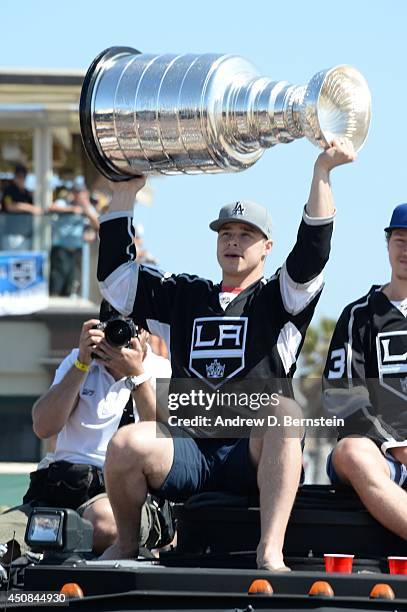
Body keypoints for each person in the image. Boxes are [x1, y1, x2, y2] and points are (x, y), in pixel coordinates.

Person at [96, 140, 356, 570]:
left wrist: (322, 171)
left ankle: (269, 549)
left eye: (246, 235)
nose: (233, 242)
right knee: (127, 443)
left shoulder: (278, 299)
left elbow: (312, 253)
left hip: (249, 452)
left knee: (285, 413)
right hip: (189, 451)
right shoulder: (186, 295)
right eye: (226, 233)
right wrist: (124, 195)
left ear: (266, 247)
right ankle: (126, 544)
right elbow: (117, 285)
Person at [0, 309, 172, 561]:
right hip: (60, 492)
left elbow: (165, 439)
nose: (120, 336)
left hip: (123, 497)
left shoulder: (162, 369)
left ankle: (44, 545)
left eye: (131, 328)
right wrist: (82, 362)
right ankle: (43, 545)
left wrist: (137, 376)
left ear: (146, 332)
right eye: (114, 326)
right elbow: (43, 426)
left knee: (103, 523)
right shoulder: (78, 361)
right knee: (6, 536)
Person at [323, 203, 407, 541]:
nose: (406, 248)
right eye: (400, 238)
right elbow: (341, 398)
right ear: (387, 243)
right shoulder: (359, 315)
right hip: (377, 457)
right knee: (351, 451)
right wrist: (396, 446)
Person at [49, 181, 99, 296]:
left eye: (80, 192)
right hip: (61, 248)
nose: (78, 194)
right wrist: (72, 209)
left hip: (77, 251)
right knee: (57, 282)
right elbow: (52, 207)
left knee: (71, 283)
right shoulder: (64, 202)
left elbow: (98, 225)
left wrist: (86, 210)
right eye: (76, 192)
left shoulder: (88, 207)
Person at [0, 163, 42, 250]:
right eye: (18, 176)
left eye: (23, 176)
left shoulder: (26, 193)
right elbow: (9, 207)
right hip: (11, 234)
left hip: (26, 234)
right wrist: (29, 208)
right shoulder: (9, 190)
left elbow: (36, 208)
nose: (21, 179)